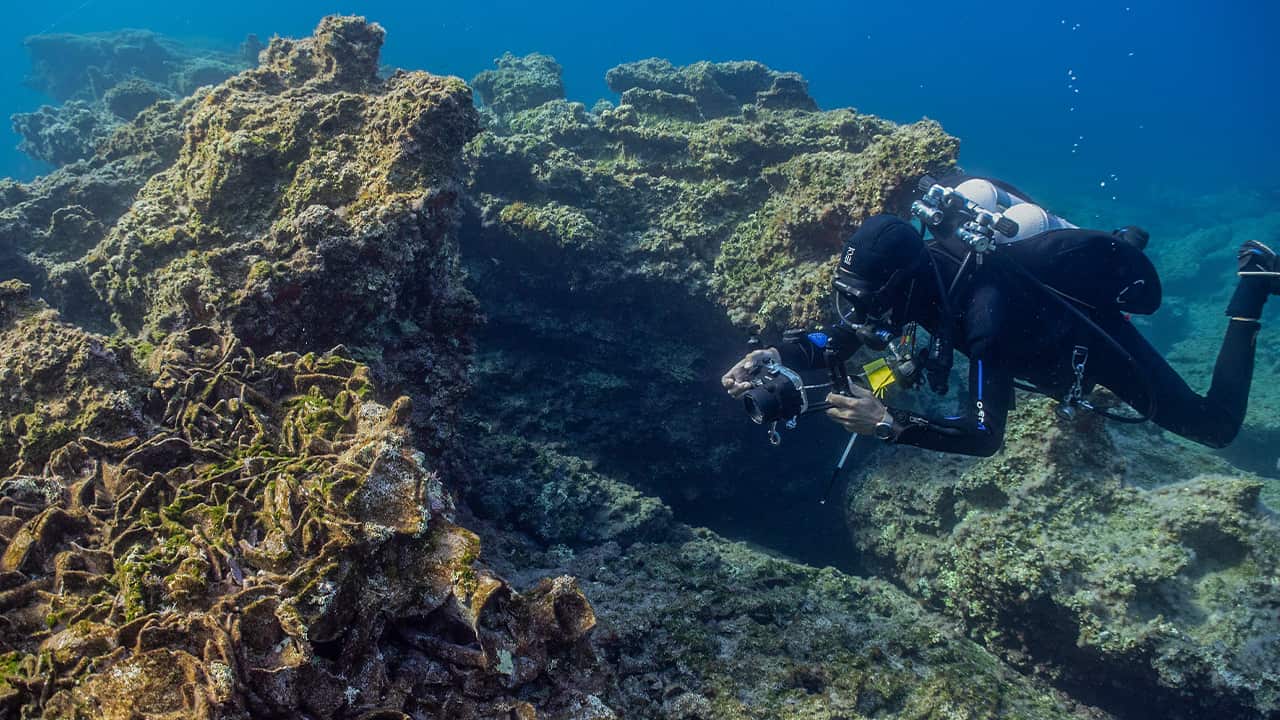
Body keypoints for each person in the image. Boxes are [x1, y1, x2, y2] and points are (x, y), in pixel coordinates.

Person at [721, 180, 1278, 457]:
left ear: (898, 282)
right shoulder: (917, 279)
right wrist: (777, 355)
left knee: (1214, 428)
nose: (859, 310)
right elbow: (841, 337)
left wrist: (888, 423)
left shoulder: (986, 316)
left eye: (867, 297)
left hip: (1087, 343)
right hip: (1024, 330)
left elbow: (986, 435)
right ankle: (1124, 239)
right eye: (852, 295)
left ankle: (1253, 288)